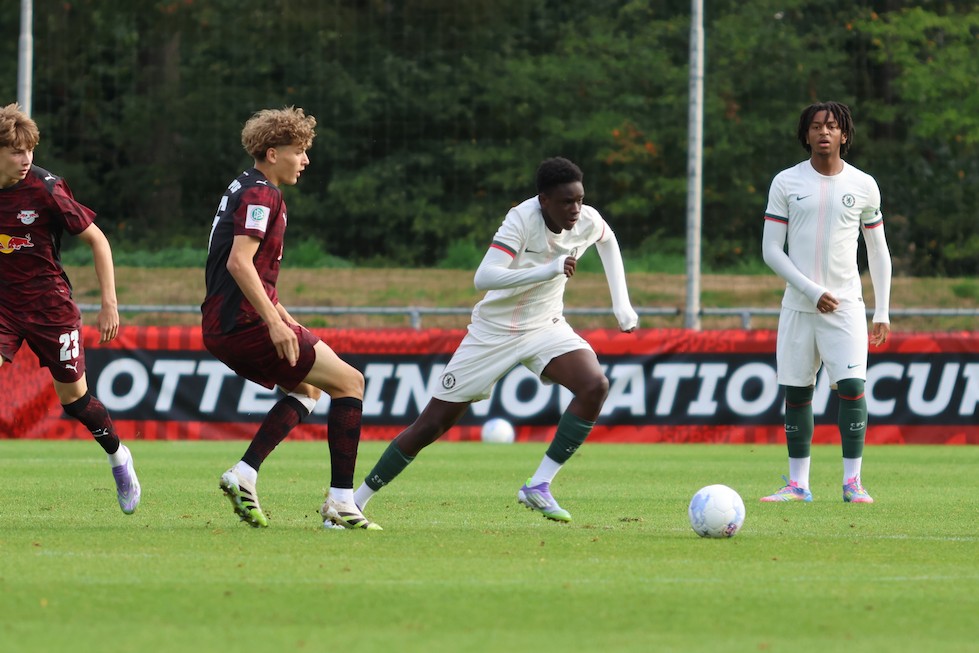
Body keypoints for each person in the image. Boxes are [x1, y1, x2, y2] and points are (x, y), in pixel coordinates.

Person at [353, 156, 639, 523]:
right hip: (493, 332)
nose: (575, 208)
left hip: (544, 326)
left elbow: (608, 241)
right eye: (566, 201)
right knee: (431, 425)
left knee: (594, 385)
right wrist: (548, 268)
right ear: (543, 200)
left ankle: (538, 485)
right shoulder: (521, 219)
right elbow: (484, 277)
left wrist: (622, 305)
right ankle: (355, 501)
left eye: (579, 199)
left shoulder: (586, 219)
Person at [202, 107, 379, 530]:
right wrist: (276, 325)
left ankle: (244, 474)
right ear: (272, 152)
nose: (305, 160)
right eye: (298, 151)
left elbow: (256, 276)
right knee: (351, 383)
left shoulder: (245, 186)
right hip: (244, 324)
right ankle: (340, 503)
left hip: (226, 324)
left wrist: (285, 318)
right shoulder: (263, 194)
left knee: (309, 390)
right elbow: (239, 265)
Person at [0, 103, 140, 514]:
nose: (25, 159)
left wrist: (108, 304)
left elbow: (99, 241)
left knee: (75, 400)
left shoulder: (46, 188)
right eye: (14, 151)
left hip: (50, 308)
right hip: (4, 307)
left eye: (29, 150)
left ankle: (119, 458)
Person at [760, 101, 892, 504]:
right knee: (798, 393)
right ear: (806, 135)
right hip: (799, 307)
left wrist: (882, 309)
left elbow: (878, 251)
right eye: (816, 126)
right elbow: (770, 251)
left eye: (832, 126)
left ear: (844, 135)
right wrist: (811, 291)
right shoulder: (786, 182)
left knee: (852, 387)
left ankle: (853, 482)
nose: (824, 132)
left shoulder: (863, 185)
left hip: (847, 306)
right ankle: (798, 485)